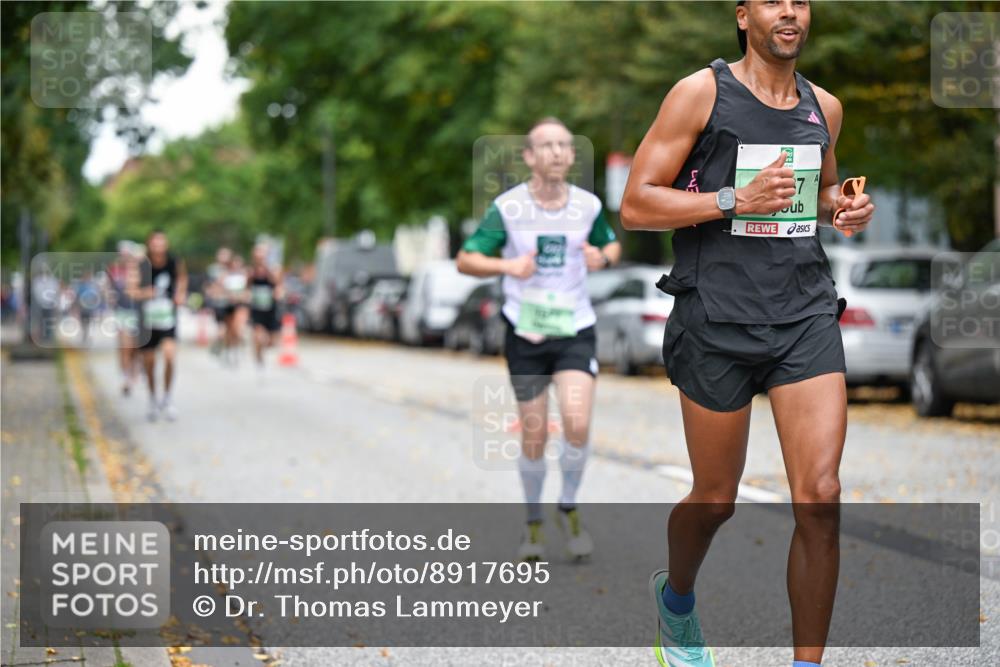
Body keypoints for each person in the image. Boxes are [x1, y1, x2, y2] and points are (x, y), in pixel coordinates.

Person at [620, 2, 875, 666]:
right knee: (714, 499)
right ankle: (676, 601)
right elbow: (637, 201)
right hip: (716, 317)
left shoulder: (826, 106)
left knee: (820, 494)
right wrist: (733, 198)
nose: (789, 11)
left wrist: (840, 205)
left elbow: (813, 193)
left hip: (803, 313)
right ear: (743, 15)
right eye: (772, 0)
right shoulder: (700, 94)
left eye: (800, 0)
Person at [457, 117, 622, 562]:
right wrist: (507, 267)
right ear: (529, 157)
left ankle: (567, 503)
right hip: (526, 331)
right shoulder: (508, 208)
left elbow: (611, 246)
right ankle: (533, 521)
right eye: (545, 146)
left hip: (574, 328)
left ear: (571, 156)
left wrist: (600, 257)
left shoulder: (587, 206)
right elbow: (466, 259)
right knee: (534, 433)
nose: (555, 152)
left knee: (577, 420)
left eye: (563, 146)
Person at [133, 230, 187, 421]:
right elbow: (132, 290)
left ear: (166, 244)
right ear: (149, 244)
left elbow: (182, 280)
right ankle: (152, 399)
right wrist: (145, 293)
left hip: (167, 318)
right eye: (154, 242)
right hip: (147, 320)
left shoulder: (174, 262)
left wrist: (180, 295)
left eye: (161, 242)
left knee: (170, 356)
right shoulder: (141, 265)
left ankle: (168, 398)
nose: (158, 246)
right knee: (149, 363)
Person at [247, 243, 283, 369]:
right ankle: (257, 353)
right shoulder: (251, 271)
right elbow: (247, 287)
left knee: (272, 342)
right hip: (257, 309)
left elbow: (278, 283)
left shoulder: (274, 269)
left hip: (271, 309)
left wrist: (278, 292)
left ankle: (259, 349)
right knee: (259, 336)